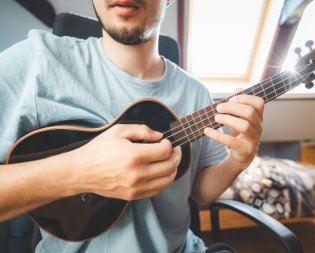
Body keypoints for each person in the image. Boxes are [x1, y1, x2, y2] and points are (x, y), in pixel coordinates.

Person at [0, 0, 264, 252]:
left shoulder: (196, 93)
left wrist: (238, 160)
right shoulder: (38, 62)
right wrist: (79, 172)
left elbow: (200, 194)